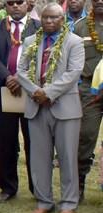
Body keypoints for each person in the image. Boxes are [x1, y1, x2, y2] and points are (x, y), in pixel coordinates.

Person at [17, 3, 84, 213]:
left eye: (53, 17)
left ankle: (69, 202)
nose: (48, 21)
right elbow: (21, 70)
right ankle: (44, 201)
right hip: (36, 107)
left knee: (67, 157)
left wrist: (49, 93)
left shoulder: (74, 42)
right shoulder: (30, 42)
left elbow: (73, 73)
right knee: (38, 158)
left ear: (62, 19)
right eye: (45, 17)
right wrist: (36, 91)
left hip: (65, 107)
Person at [0, 0, 40, 203]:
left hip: (31, 93)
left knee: (34, 142)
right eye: (11, 2)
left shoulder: (38, 27)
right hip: (3, 91)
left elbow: (41, 57)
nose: (15, 6)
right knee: (5, 142)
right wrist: (8, 77)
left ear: (28, 5)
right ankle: (8, 187)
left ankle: (38, 187)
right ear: (6, 7)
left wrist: (21, 78)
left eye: (20, 2)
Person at [73, 0, 103, 201]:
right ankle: (79, 182)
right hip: (89, 91)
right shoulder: (80, 26)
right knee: (86, 135)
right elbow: (73, 58)